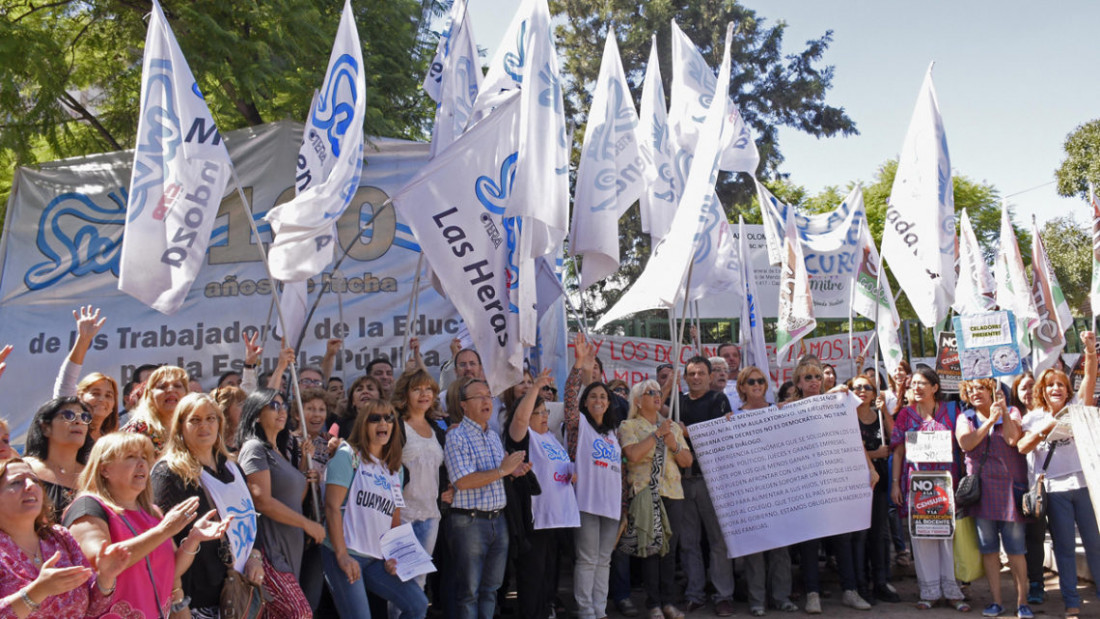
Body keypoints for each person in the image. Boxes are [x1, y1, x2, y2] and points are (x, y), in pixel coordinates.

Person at [64, 432, 229, 618]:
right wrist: (163, 530)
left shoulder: (152, 512)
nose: (142, 463)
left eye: (144, 457)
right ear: (104, 469)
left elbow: (172, 569)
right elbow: (101, 561)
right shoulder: (88, 507)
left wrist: (194, 539)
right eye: (130, 457)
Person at [152, 392, 264, 618]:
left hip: (238, 591)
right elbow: (161, 543)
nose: (204, 425)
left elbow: (250, 517)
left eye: (210, 418)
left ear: (220, 423)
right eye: (195, 420)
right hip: (195, 601)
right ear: (180, 426)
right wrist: (177, 599)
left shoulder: (233, 467)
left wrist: (255, 557)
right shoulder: (170, 474)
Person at [321, 400, 429, 618]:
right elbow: (332, 508)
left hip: (376, 558)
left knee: (418, 604)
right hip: (344, 552)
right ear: (363, 424)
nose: (383, 422)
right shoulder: (347, 455)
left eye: (389, 418)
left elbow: (394, 517)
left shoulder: (394, 467)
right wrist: (342, 556)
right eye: (375, 418)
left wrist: (394, 556)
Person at [1017, 337, 1099, 619]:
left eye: (1061, 385)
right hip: (1055, 492)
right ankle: (1072, 602)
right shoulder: (1032, 418)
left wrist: (1089, 350)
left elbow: (1089, 377)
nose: (1056, 389)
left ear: (1067, 391)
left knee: (1095, 546)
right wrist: (1048, 427)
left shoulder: (1077, 407)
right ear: (1043, 390)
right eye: (1051, 385)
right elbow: (1022, 446)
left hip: (1084, 486)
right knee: (1064, 549)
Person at [788, 361, 870, 613]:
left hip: (836, 480)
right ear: (798, 383)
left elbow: (852, 436)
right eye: (807, 377)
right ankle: (812, 593)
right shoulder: (789, 410)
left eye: (816, 376)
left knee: (842, 537)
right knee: (810, 542)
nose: (813, 380)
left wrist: (871, 467)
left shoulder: (838, 404)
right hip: (805, 484)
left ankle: (850, 590)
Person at [443, 378, 528, 619]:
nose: (485, 400)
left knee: (491, 590)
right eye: (478, 396)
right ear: (463, 405)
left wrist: (514, 472)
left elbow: (497, 475)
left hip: (497, 520)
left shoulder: (492, 436)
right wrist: (502, 471)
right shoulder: (456, 437)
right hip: (469, 522)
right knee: (468, 593)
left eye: (488, 395)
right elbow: (462, 481)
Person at [0, 459, 128, 619]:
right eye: (16, 482)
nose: (31, 485)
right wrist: (37, 591)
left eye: (34, 480)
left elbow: (93, 610)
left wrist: (106, 578)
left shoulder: (59, 537)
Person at [237, 388, 325, 619]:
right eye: (273, 406)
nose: (281, 411)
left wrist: (304, 470)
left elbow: (295, 499)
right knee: (301, 613)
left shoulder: (281, 452)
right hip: (269, 550)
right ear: (256, 415)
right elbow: (262, 501)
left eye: (283, 405)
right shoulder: (254, 448)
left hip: (290, 549)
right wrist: (307, 524)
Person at [889, 365, 969, 611]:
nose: (916, 387)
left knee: (949, 537)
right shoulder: (905, 415)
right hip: (917, 485)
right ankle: (929, 591)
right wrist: (895, 485)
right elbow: (899, 451)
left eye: (922, 383)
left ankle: (953, 592)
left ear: (935, 387)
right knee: (922, 537)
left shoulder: (953, 412)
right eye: (913, 384)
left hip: (947, 485)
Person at [504, 369, 579, 619]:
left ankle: (546, 612)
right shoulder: (523, 436)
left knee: (549, 575)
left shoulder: (549, 437)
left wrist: (571, 473)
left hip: (557, 519)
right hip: (535, 518)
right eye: (539, 412)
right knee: (532, 577)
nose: (544, 416)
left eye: (546, 411)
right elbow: (519, 421)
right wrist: (534, 388)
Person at [956, 378, 1030, 618]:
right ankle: (996, 601)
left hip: (1010, 491)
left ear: (991, 390)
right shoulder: (964, 417)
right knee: (989, 550)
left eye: (980, 388)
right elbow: (966, 443)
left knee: (1016, 550)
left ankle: (1022, 603)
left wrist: (1004, 413)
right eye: (970, 389)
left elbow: (1012, 439)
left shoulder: (1012, 411)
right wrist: (988, 421)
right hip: (983, 493)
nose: (975, 393)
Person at [620, 378, 692, 619]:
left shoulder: (671, 427)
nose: (657, 395)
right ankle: (653, 604)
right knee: (651, 549)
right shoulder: (628, 425)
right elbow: (631, 455)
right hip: (645, 492)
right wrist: (656, 435)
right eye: (651, 392)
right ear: (638, 402)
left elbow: (687, 461)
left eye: (659, 392)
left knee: (669, 551)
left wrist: (673, 443)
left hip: (673, 493)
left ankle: (669, 602)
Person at [566, 336, 624, 619]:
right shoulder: (579, 428)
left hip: (611, 508)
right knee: (588, 560)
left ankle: (600, 610)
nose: (599, 399)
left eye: (603, 396)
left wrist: (623, 508)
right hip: (586, 504)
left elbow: (619, 474)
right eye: (593, 396)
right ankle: (585, 610)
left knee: (605, 561)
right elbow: (569, 396)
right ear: (585, 403)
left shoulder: (613, 434)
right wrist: (579, 365)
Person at [734, 366, 799, 615]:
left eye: (761, 381)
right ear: (742, 387)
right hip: (751, 492)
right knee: (755, 550)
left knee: (781, 548)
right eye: (751, 381)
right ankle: (757, 600)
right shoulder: (734, 418)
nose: (757, 385)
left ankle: (781, 597)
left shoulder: (778, 412)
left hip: (779, 490)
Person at [674, 355, 735, 616]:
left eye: (701, 373)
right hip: (683, 480)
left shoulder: (718, 399)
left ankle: (723, 595)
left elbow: (719, 433)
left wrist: (687, 432)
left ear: (710, 377)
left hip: (712, 480)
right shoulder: (678, 403)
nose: (696, 377)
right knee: (688, 542)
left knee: (717, 540)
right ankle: (695, 593)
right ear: (685, 377)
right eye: (691, 373)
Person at [392, 369, 449, 585]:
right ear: (405, 394)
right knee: (400, 582)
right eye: (417, 389)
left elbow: (441, 470)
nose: (424, 394)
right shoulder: (396, 426)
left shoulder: (437, 429)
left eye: (429, 389)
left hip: (430, 515)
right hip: (402, 514)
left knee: (419, 582)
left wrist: (447, 489)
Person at [850, 374, 901, 606]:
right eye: (857, 387)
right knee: (860, 535)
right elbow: (845, 452)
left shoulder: (879, 416)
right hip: (855, 481)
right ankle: (861, 585)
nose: (862, 390)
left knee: (879, 534)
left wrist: (886, 412)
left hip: (880, 481)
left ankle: (880, 582)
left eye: (867, 387)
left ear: (874, 392)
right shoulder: (847, 417)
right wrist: (873, 454)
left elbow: (896, 438)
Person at [51, 306, 120, 441]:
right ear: (79, 396)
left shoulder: (112, 442)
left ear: (113, 407)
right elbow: (67, 379)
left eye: (108, 395)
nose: (102, 399)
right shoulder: (70, 429)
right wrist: (84, 339)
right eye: (95, 393)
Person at [24, 397, 94, 519]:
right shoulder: (25, 470)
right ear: (45, 427)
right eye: (68, 415)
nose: (79, 421)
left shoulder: (94, 476)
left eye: (84, 417)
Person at [1010, 371, 1046, 605]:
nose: (1028, 391)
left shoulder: (1048, 413)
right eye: (1023, 388)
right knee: (1024, 537)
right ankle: (1029, 584)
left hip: (1046, 483)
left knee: (1037, 538)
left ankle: (1037, 583)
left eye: (1032, 386)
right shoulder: (1014, 418)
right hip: (1021, 485)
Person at [122, 365, 189, 455]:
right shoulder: (139, 428)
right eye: (162, 386)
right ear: (149, 395)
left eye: (177, 386)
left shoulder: (188, 427)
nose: (171, 390)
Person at [330, 375, 384, 440]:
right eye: (359, 390)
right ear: (353, 401)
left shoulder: (390, 421)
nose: (365, 392)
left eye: (370, 389)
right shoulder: (339, 425)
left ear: (380, 397)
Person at [211, 385, 247, 453]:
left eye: (245, 403)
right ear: (225, 411)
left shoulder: (250, 438)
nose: (245, 408)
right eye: (240, 404)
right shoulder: (213, 445)